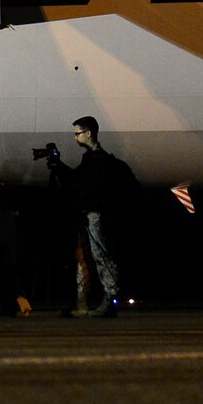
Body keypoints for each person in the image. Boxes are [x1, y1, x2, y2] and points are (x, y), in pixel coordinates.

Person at [46, 115, 135, 316]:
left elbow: (82, 184)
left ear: (88, 133)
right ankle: (107, 300)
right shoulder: (92, 159)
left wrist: (59, 167)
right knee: (97, 256)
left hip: (96, 214)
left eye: (78, 133)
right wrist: (58, 165)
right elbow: (76, 179)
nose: (75, 138)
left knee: (102, 255)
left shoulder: (98, 161)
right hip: (92, 214)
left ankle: (111, 300)